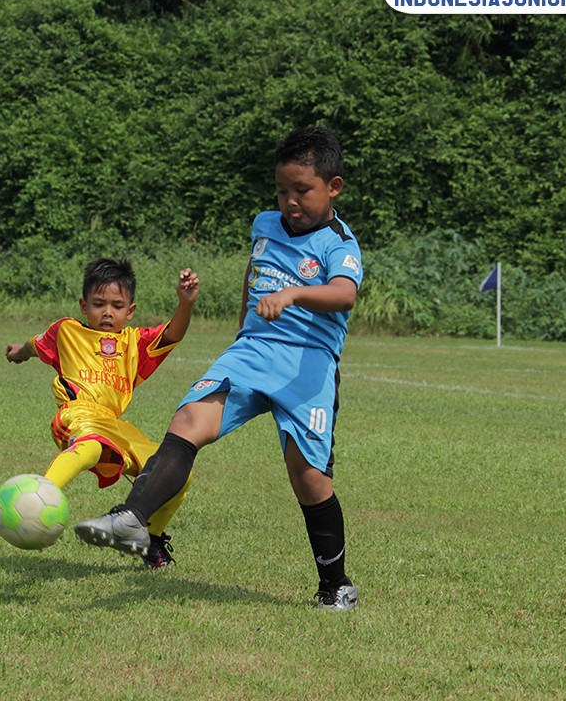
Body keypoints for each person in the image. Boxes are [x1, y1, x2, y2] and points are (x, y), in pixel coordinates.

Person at [74, 128, 363, 610]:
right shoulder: (264, 224)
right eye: (281, 190)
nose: (290, 201)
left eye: (302, 190)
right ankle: (132, 517)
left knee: (307, 477)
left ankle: (335, 585)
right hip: (252, 350)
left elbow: (344, 293)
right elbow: (255, 277)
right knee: (188, 420)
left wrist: (292, 295)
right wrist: (243, 327)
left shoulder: (339, 242)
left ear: (333, 187)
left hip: (306, 365)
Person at [5, 257, 199, 568]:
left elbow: (173, 334)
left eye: (117, 306)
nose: (107, 312)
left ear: (130, 310)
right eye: (98, 304)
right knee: (91, 446)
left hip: (116, 424)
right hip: (79, 413)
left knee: (179, 473)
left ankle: (150, 539)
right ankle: (39, 493)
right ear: (84, 305)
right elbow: (35, 344)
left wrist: (185, 304)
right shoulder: (66, 331)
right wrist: (19, 352)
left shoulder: (134, 342)